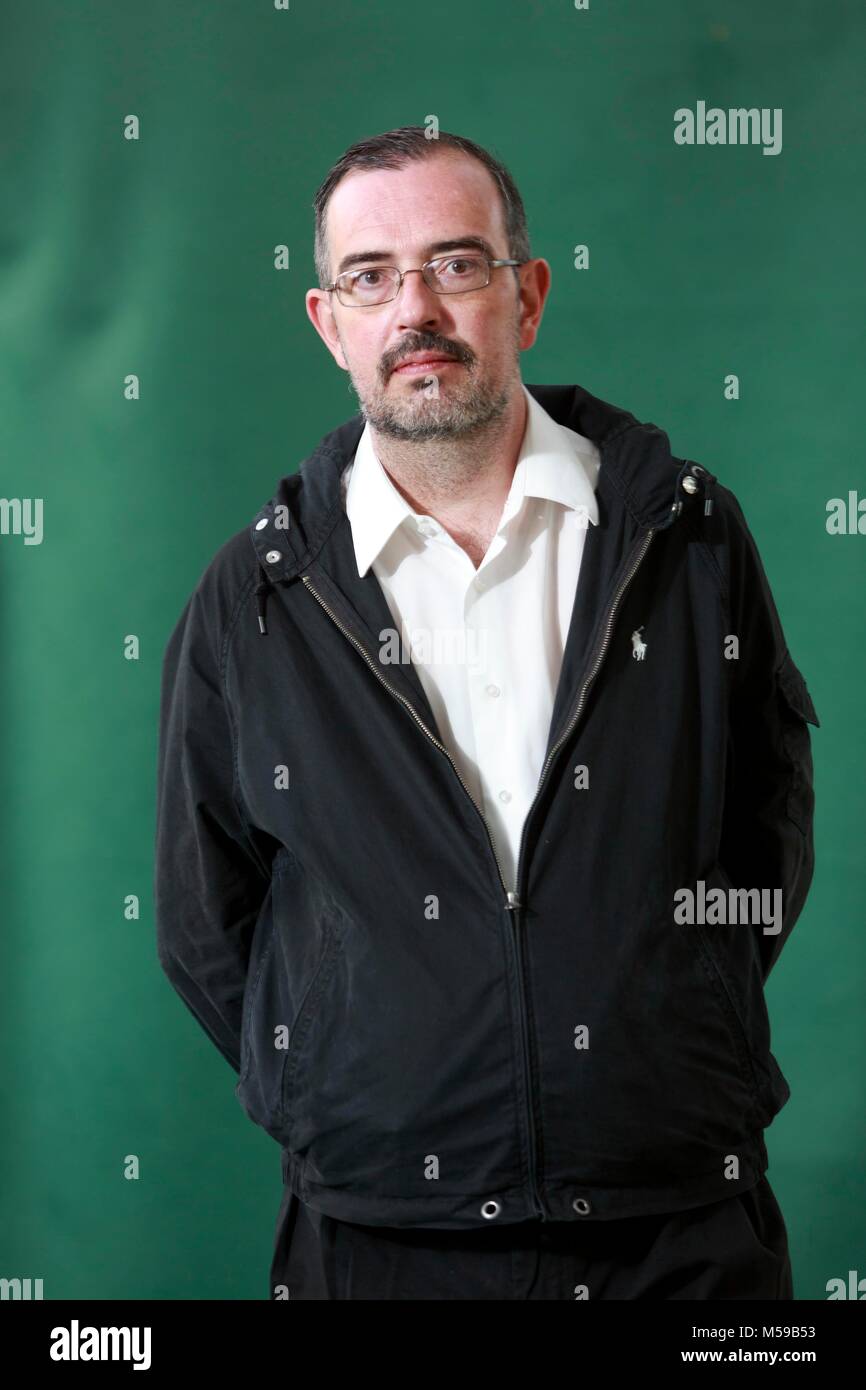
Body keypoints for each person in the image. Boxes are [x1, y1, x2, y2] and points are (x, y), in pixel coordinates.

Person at [154, 126, 819, 1300]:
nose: (415, 308)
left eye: (456, 265)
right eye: (371, 276)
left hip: (677, 1224)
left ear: (527, 295)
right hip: (377, 1239)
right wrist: (341, 1071)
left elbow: (759, 844)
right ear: (329, 323)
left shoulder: (689, 539)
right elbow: (211, 920)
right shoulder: (251, 596)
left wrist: (655, 1018)